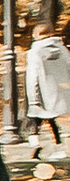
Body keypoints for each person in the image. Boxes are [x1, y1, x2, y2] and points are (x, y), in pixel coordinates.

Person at [23, 16, 68, 161]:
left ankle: (35, 145)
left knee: (34, 118)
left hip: (40, 92)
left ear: (36, 35)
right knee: (50, 120)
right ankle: (58, 147)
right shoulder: (61, 48)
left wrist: (32, 97)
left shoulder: (35, 52)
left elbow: (32, 76)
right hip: (56, 92)